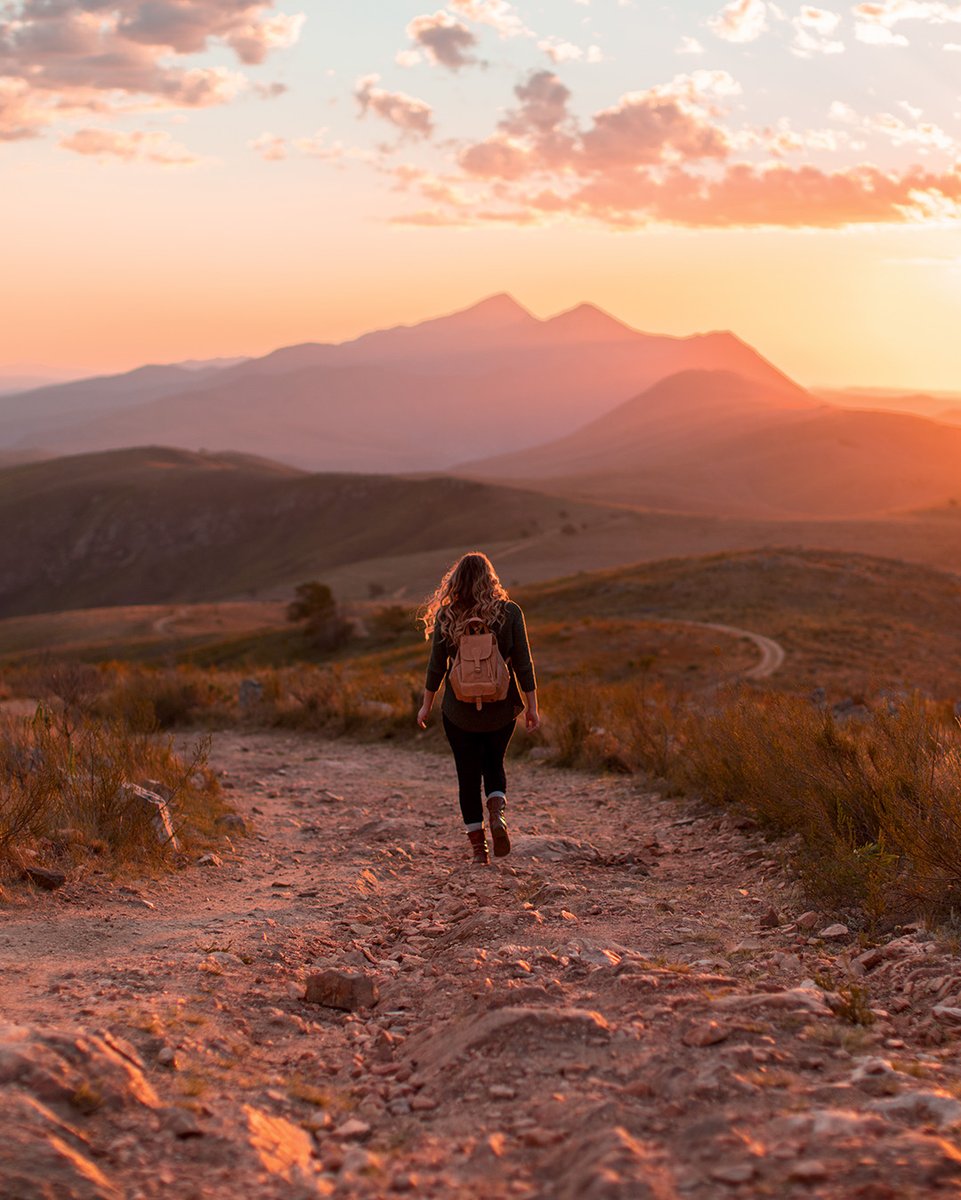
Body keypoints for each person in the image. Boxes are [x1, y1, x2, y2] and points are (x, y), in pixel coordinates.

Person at [417, 552, 539, 865]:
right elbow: (523, 663)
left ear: (456, 581)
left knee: (467, 775)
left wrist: (426, 705)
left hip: (458, 711)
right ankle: (496, 811)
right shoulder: (509, 612)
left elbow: (436, 666)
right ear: (490, 578)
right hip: (501, 707)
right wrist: (532, 707)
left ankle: (478, 850)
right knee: (494, 763)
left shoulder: (448, 615)